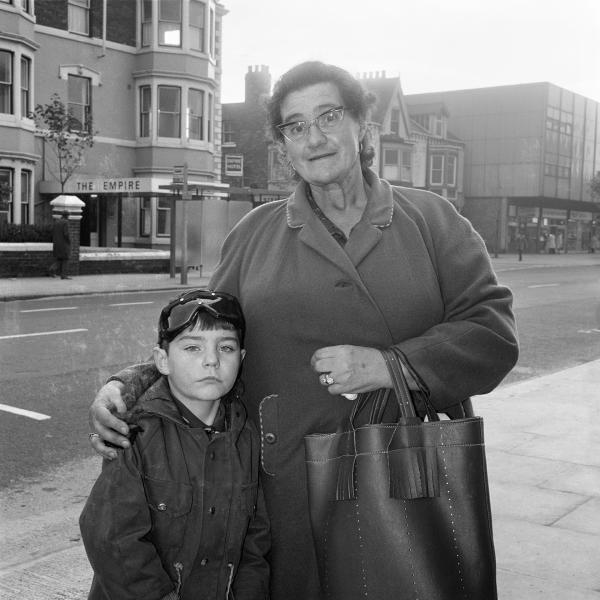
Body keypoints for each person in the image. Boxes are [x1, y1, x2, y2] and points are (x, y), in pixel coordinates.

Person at [88, 61, 519, 600]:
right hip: (280, 489)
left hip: (403, 477)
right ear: (284, 146)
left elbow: (492, 333)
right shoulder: (256, 233)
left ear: (363, 126)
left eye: (329, 116)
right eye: (295, 126)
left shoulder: (432, 220)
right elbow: (208, 334)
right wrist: (129, 386)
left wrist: (389, 366)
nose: (313, 138)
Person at [80, 289, 270, 600]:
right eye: (193, 347)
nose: (211, 360)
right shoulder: (138, 433)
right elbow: (112, 539)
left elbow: (254, 539)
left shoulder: (245, 436)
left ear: (242, 359)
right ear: (162, 361)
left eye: (226, 347)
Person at [49, 210, 72, 279]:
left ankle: (52, 269)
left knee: (59, 259)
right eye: (68, 215)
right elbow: (66, 234)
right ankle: (64, 275)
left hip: (56, 244)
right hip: (64, 244)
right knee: (66, 259)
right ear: (67, 216)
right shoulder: (66, 222)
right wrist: (69, 241)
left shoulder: (57, 222)